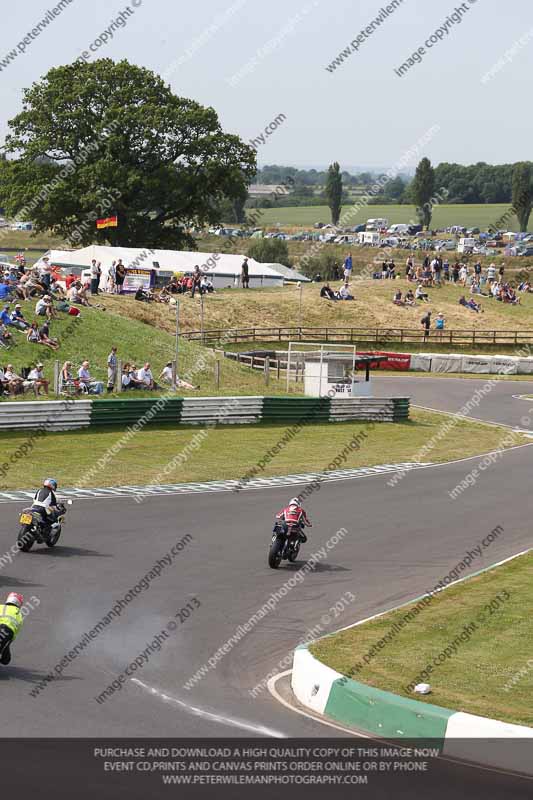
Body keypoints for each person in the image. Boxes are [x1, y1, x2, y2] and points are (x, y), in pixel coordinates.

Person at [0, 592, 24, 666]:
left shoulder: (1, 606)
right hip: (8, 633)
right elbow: (15, 632)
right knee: (5, 660)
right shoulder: (19, 614)